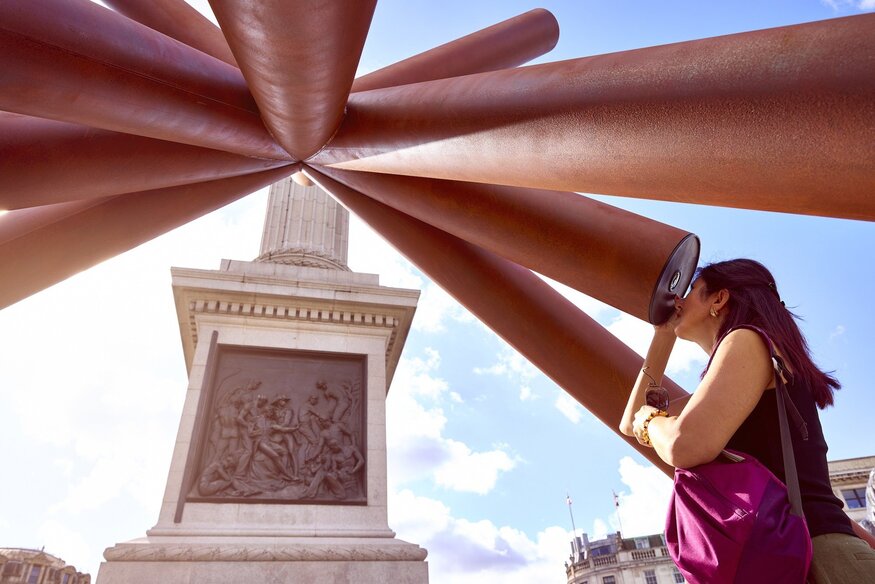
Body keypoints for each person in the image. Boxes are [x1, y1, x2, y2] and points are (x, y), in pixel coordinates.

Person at [620, 259, 875, 583]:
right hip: (813, 554)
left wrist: (651, 421)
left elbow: (683, 445)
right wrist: (663, 334)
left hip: (815, 560)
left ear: (719, 299)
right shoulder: (749, 361)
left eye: (691, 291)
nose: (678, 301)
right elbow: (631, 423)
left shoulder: (746, 339)